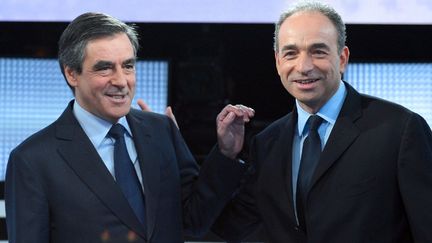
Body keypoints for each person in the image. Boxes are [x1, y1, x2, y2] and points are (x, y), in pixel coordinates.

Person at [4, 12, 255, 243]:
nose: (121, 81)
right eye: (105, 68)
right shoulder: (32, 161)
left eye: (128, 65)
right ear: (72, 74)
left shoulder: (160, 131)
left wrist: (226, 154)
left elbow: (194, 221)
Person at [210, 1, 432, 242]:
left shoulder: (400, 131)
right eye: (291, 53)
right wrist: (226, 156)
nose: (304, 67)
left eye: (318, 51)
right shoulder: (267, 143)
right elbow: (229, 227)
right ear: (277, 62)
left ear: (342, 58)